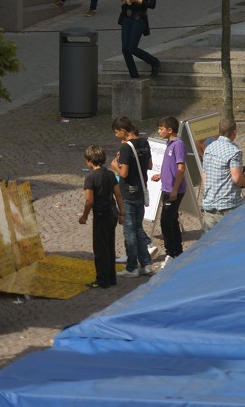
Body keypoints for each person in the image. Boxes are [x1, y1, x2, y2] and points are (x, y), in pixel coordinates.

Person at [110, 116, 153, 278]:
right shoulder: (144, 142)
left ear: (123, 131)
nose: (115, 135)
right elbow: (149, 165)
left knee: (129, 231)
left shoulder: (126, 149)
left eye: (116, 132)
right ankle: (146, 264)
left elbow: (124, 173)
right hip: (141, 190)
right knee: (138, 227)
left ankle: (132, 267)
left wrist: (115, 166)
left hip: (128, 192)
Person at [79, 145, 124, 290]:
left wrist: (84, 216)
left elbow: (89, 201)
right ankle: (111, 277)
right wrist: (122, 213)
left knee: (100, 249)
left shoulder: (90, 177)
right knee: (109, 245)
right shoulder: (110, 174)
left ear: (90, 161)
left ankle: (102, 280)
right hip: (112, 213)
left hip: (101, 215)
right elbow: (118, 194)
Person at [202, 118, 245, 231]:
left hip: (209, 204)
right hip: (228, 205)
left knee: (210, 243)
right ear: (234, 132)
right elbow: (236, 178)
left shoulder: (209, 148)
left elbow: (205, 175)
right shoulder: (234, 151)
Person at [150, 116, 186, 266]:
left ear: (170, 130)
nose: (159, 131)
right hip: (167, 188)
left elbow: (181, 168)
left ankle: (170, 253)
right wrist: (161, 175)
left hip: (173, 191)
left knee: (166, 222)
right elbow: (170, 166)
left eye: (161, 129)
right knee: (172, 221)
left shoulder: (178, 145)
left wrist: (175, 190)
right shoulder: (169, 144)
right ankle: (177, 252)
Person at [117, 0, 160, 79]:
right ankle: (134, 75)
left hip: (139, 18)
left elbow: (152, 4)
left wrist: (137, 0)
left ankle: (154, 62)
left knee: (132, 47)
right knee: (125, 49)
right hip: (127, 17)